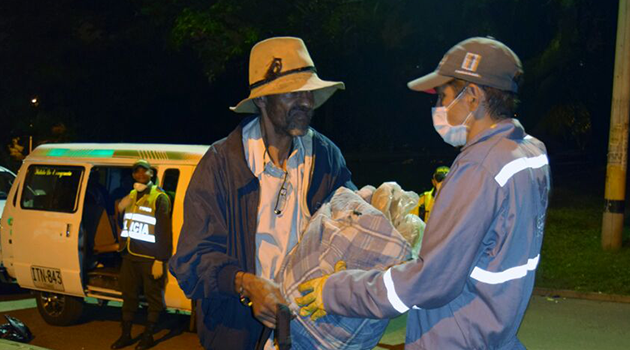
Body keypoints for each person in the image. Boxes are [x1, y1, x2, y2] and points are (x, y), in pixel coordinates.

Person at [296, 37, 551, 349]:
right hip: (496, 333)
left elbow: (432, 281)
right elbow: (486, 247)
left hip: (457, 338)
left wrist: (337, 291)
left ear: (472, 96)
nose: (438, 108)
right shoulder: (530, 152)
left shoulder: (479, 167)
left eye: (443, 96)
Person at [168, 36, 355, 350]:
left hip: (310, 334)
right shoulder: (220, 164)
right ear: (262, 101)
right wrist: (246, 284)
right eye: (293, 92)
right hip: (236, 335)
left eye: (309, 91)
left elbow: (350, 227)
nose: (307, 102)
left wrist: (378, 217)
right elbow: (191, 261)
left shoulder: (326, 157)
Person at [111, 160, 172, 350]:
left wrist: (160, 260)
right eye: (136, 172)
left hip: (148, 257)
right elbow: (126, 222)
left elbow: (163, 231)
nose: (140, 175)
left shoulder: (159, 197)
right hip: (129, 255)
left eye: (143, 171)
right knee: (128, 295)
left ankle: (148, 336)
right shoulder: (131, 194)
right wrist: (120, 208)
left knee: (153, 297)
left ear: (151, 174)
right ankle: (126, 335)